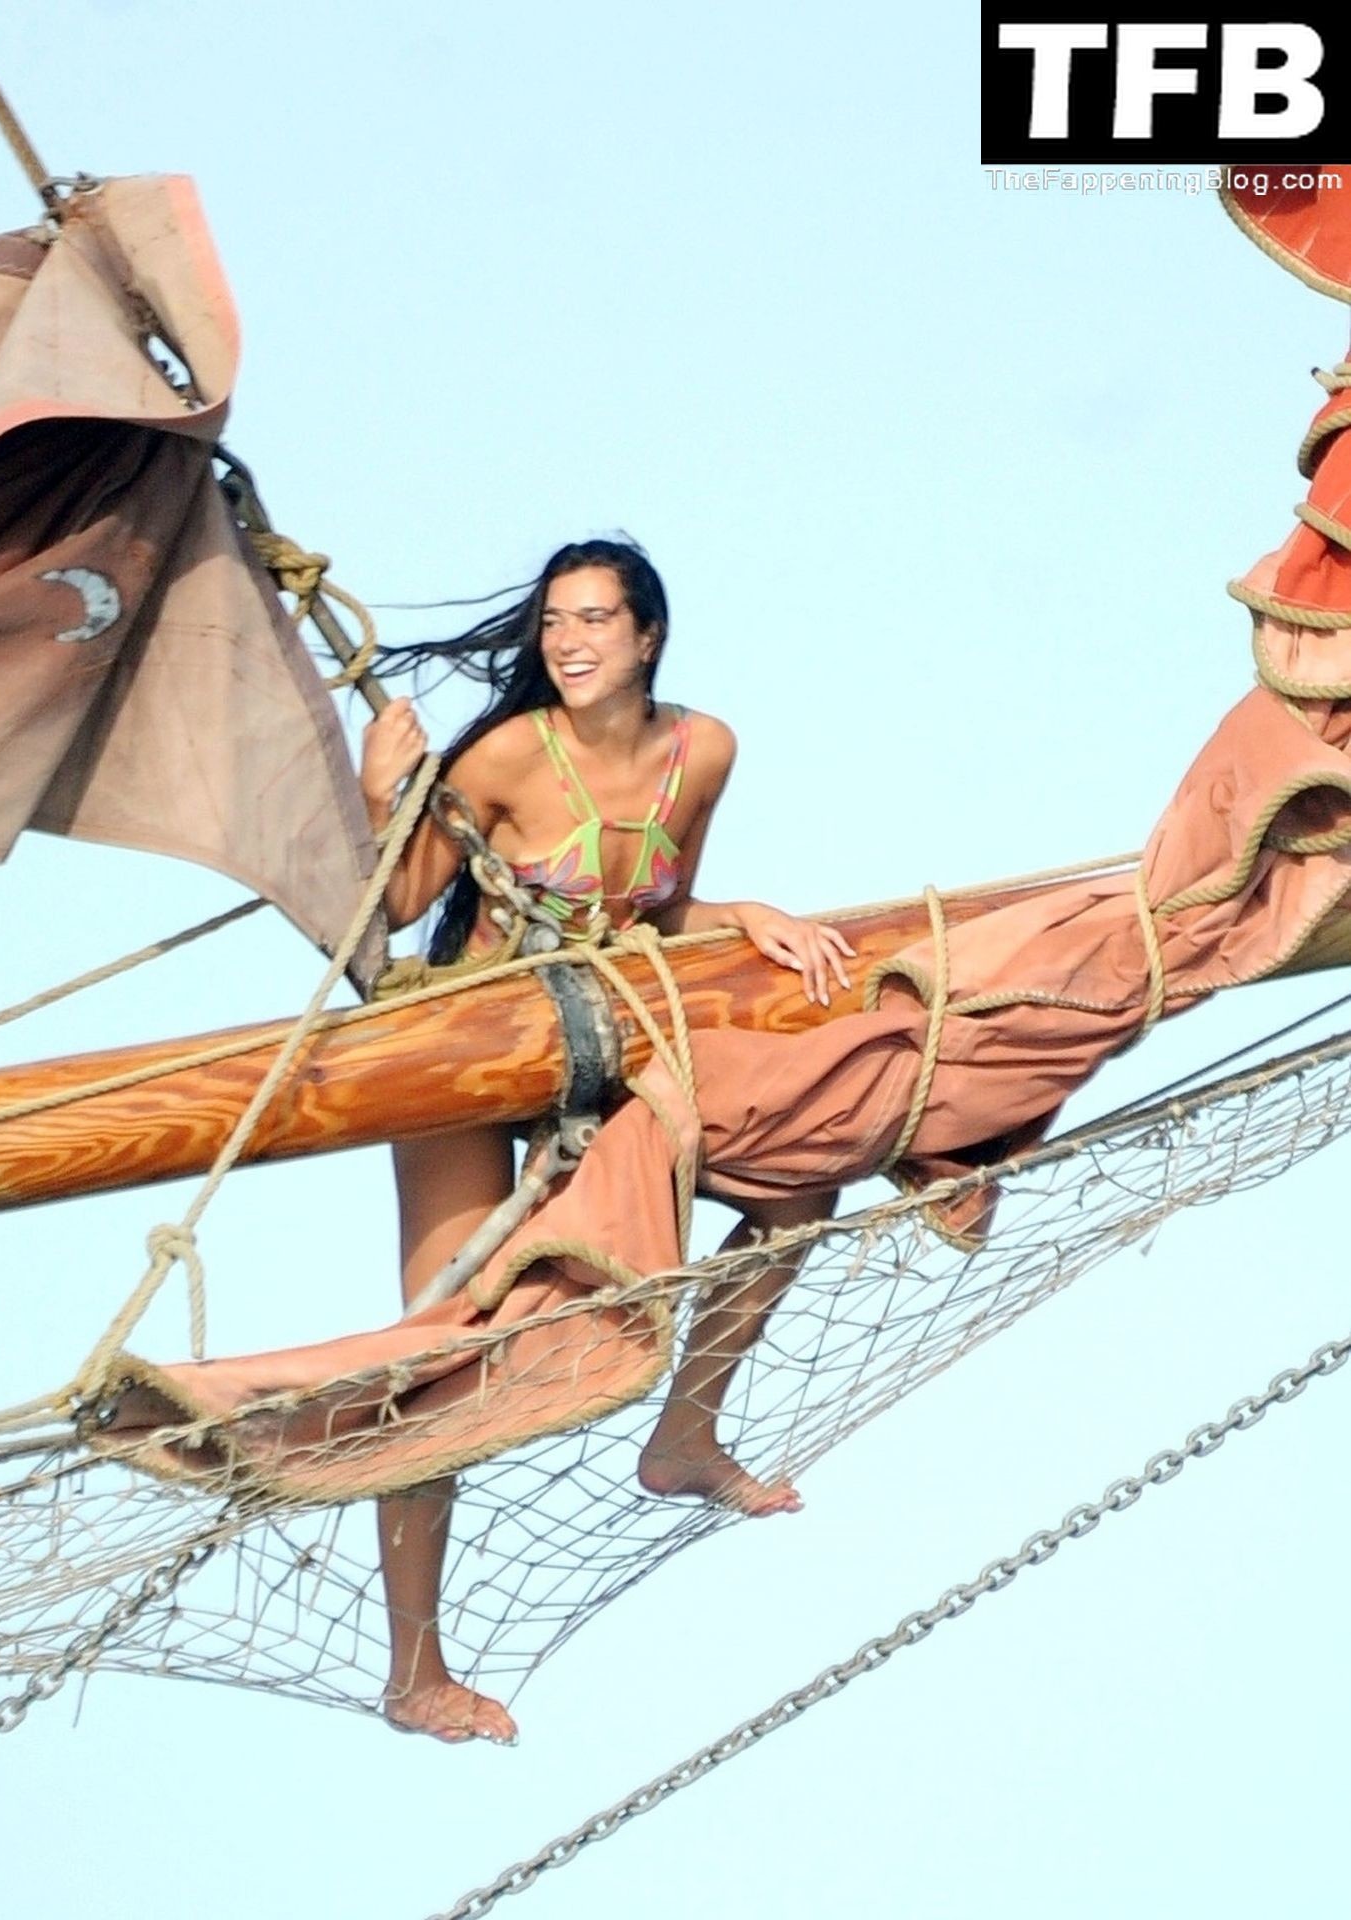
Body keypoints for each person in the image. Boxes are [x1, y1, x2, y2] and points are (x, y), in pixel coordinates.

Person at [360, 538, 854, 1743]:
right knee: (438, 1351)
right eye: (554, 623)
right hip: (468, 1049)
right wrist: (385, 793)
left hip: (598, 1040)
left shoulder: (704, 750)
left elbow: (652, 907)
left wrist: (747, 914)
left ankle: (685, 1434)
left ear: (647, 636)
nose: (569, 642)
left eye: (593, 620)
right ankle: (414, 1672)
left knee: (800, 1187)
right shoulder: (506, 757)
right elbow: (395, 904)